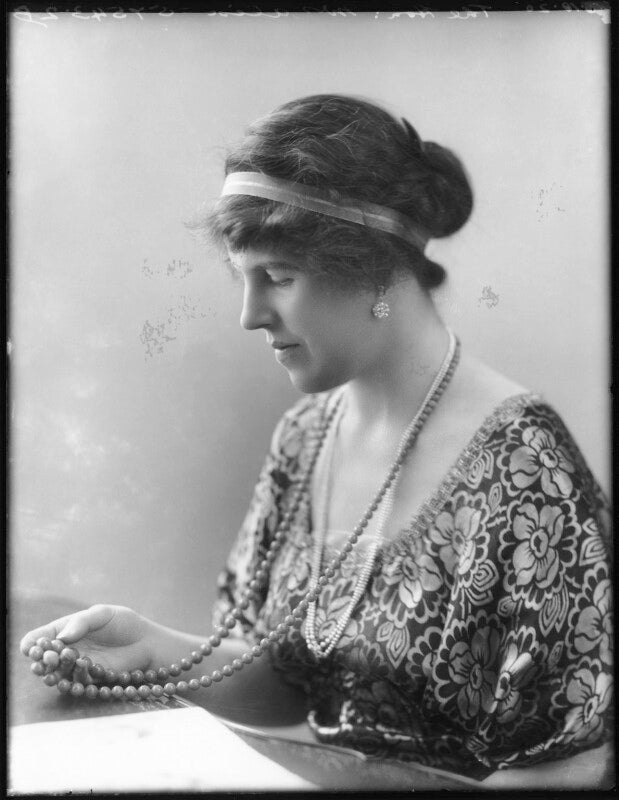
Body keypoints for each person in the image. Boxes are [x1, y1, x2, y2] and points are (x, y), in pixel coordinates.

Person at [21, 94, 612, 787]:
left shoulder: (525, 467)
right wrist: (151, 649)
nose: (250, 315)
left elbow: (570, 769)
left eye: (278, 277)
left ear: (375, 271)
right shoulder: (305, 438)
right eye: (244, 278)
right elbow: (290, 688)